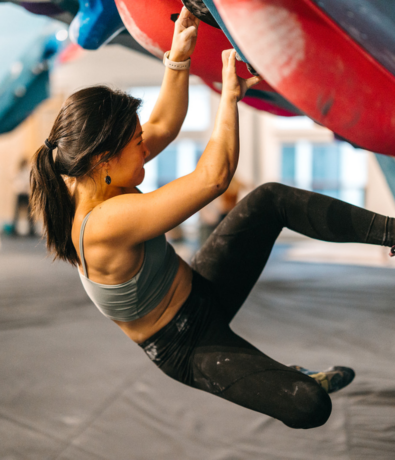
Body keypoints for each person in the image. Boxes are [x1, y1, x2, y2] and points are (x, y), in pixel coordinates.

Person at [29, 7, 393, 430]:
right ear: (102, 158)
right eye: (135, 141)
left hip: (203, 289)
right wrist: (229, 99)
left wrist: (178, 55)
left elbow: (164, 121)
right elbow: (212, 178)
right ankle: (293, 377)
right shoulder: (103, 223)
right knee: (310, 405)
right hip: (188, 344)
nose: (145, 144)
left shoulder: (100, 175)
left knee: (269, 199)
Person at [12, 158, 35, 236]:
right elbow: (15, 183)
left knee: (30, 213)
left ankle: (31, 229)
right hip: (20, 194)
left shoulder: (27, 171)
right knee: (17, 213)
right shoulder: (18, 172)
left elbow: (30, 182)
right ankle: (14, 229)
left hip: (26, 194)